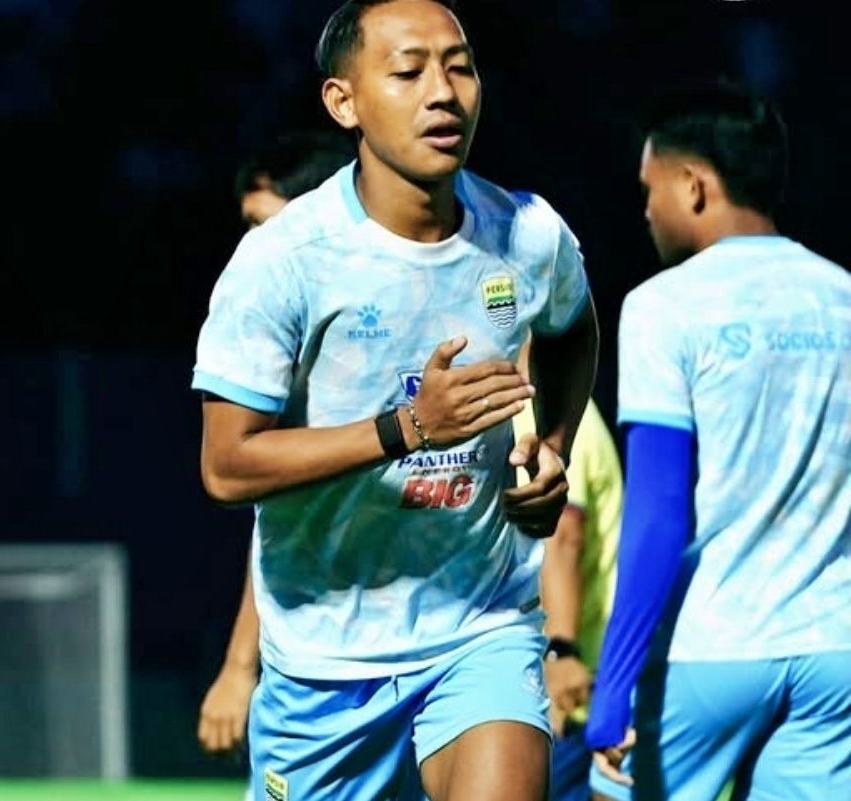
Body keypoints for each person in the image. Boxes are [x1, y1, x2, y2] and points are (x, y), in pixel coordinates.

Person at [190, 1, 599, 798]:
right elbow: (227, 465)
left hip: (480, 623)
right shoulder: (284, 260)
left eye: (460, 67)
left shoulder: (527, 233)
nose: (442, 92)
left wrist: (552, 445)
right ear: (343, 102)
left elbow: (573, 326)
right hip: (324, 659)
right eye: (409, 72)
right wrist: (408, 426)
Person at [586, 80, 851, 801]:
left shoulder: (665, 305)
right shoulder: (841, 295)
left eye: (650, 189)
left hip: (710, 649)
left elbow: (658, 512)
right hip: (833, 649)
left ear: (694, 185)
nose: (645, 210)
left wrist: (612, 684)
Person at [196, 126, 356, 762]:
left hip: (445, 649)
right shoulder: (280, 360)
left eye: (265, 225)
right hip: (320, 656)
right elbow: (281, 523)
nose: (253, 246)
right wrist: (241, 666)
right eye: (247, 226)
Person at [512, 344, 622, 801]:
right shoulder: (565, 408)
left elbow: (563, 535)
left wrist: (559, 651)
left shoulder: (542, 409)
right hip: (561, 678)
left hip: (564, 686)